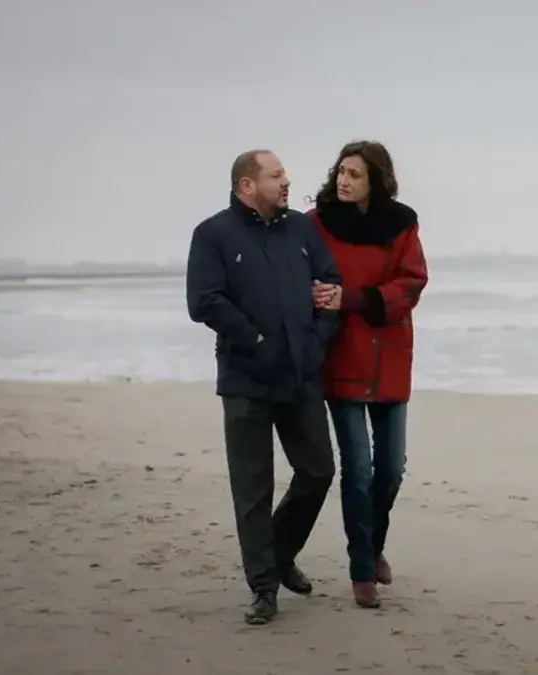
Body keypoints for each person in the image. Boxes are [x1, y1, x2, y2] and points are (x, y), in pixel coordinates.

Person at [185, 149, 342, 625]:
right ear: (246, 185)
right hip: (246, 381)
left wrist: (317, 340)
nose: (286, 183)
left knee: (318, 471)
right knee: (253, 489)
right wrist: (255, 340)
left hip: (299, 374)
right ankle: (263, 588)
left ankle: (277, 553)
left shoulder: (300, 228)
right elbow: (203, 301)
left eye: (285, 176)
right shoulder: (213, 234)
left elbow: (329, 283)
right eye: (276, 176)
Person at [305, 140, 428, 609]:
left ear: (376, 180)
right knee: (356, 467)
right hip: (342, 356)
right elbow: (307, 275)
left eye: (354, 174)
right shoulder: (317, 223)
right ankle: (361, 569)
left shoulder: (402, 223)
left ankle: (374, 545)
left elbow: (412, 282)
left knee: (390, 469)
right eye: (340, 171)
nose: (343, 180)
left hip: (390, 354)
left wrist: (354, 299)